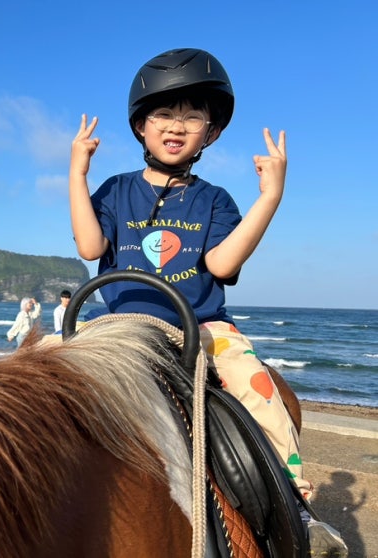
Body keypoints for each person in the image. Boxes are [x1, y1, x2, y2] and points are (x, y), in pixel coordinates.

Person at [68, 48, 346, 555]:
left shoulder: (214, 199)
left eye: (192, 116)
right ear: (141, 126)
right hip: (119, 326)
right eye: (163, 114)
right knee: (37, 373)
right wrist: (78, 173)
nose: (176, 126)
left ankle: (298, 508)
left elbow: (219, 266)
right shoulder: (115, 189)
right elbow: (89, 248)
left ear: (210, 133)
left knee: (260, 391)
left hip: (201, 327)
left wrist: (269, 198)